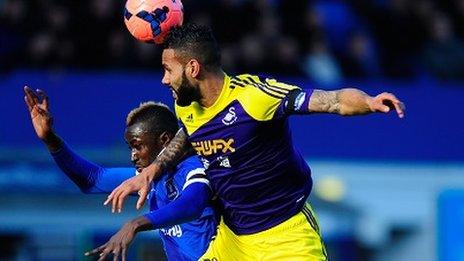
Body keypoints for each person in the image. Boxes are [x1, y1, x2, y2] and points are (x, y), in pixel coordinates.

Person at [106, 23, 406, 260]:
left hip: (287, 237)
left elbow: (333, 101)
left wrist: (369, 101)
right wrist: (152, 171)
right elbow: (188, 134)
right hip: (233, 240)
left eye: (168, 70)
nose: (164, 80)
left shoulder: (254, 97)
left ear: (193, 69)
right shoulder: (186, 105)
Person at [23, 86, 217, 261]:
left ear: (164, 140)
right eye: (130, 148)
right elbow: (92, 180)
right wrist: (50, 139)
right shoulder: (147, 179)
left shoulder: (194, 166)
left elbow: (192, 204)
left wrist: (135, 224)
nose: (133, 156)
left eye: (138, 146)